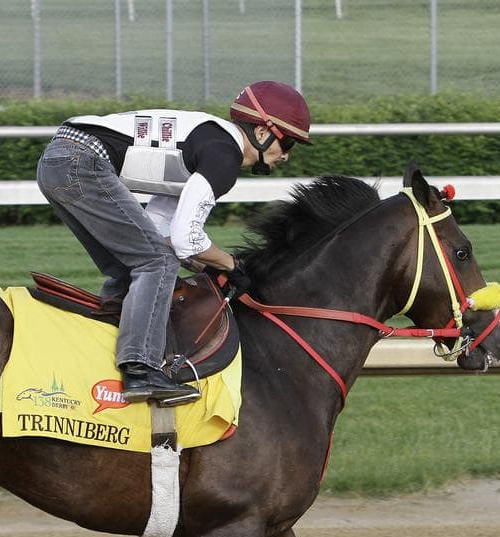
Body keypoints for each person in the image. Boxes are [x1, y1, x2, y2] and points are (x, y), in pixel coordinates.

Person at [36, 81, 311, 405]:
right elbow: (184, 240)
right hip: (80, 161)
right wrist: (231, 264)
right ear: (263, 132)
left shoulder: (210, 145)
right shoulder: (224, 156)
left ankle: (101, 355)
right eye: (288, 141)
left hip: (61, 159)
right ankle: (141, 369)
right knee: (156, 263)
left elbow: (161, 230)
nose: (287, 156)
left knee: (136, 265)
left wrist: (205, 264)